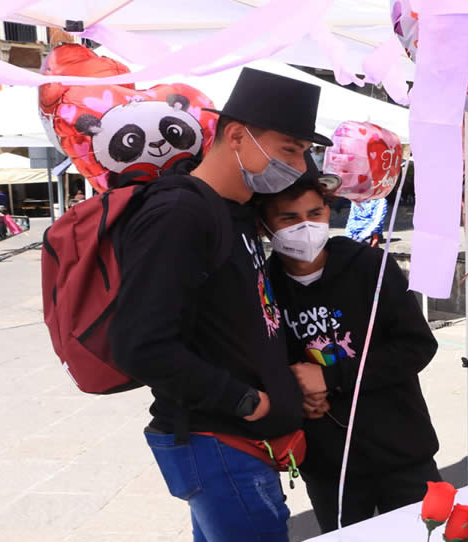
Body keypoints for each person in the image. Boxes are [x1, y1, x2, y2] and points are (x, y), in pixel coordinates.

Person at [109, 67, 335, 542]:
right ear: (236, 135)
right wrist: (246, 402)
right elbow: (139, 344)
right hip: (217, 440)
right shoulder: (179, 213)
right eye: (289, 149)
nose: (298, 164)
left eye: (304, 151)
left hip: (240, 445)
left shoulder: (237, 211)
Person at [258, 177, 441, 533]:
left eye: (315, 213)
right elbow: (264, 363)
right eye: (289, 218)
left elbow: (417, 346)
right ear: (265, 227)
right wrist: (296, 395)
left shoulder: (372, 266)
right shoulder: (264, 289)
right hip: (329, 464)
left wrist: (329, 378)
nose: (305, 226)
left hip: (402, 449)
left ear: (328, 210)